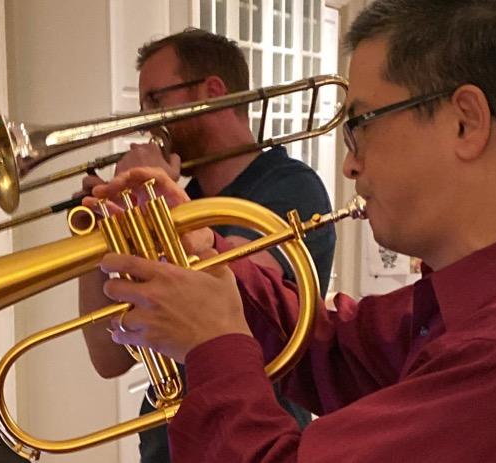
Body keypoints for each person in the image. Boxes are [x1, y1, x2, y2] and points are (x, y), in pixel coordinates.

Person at [92, 1, 496, 461]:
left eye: (360, 126)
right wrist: (205, 247)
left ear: (464, 122)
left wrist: (212, 345)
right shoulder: (465, 305)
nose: (350, 165)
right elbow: (334, 350)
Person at [76, 29, 337, 462]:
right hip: (170, 446)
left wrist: (158, 201)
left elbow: (230, 293)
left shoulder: (291, 188)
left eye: (157, 100)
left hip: (252, 442)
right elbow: (109, 360)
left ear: (212, 91)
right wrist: (99, 232)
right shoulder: (181, 199)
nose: (146, 121)